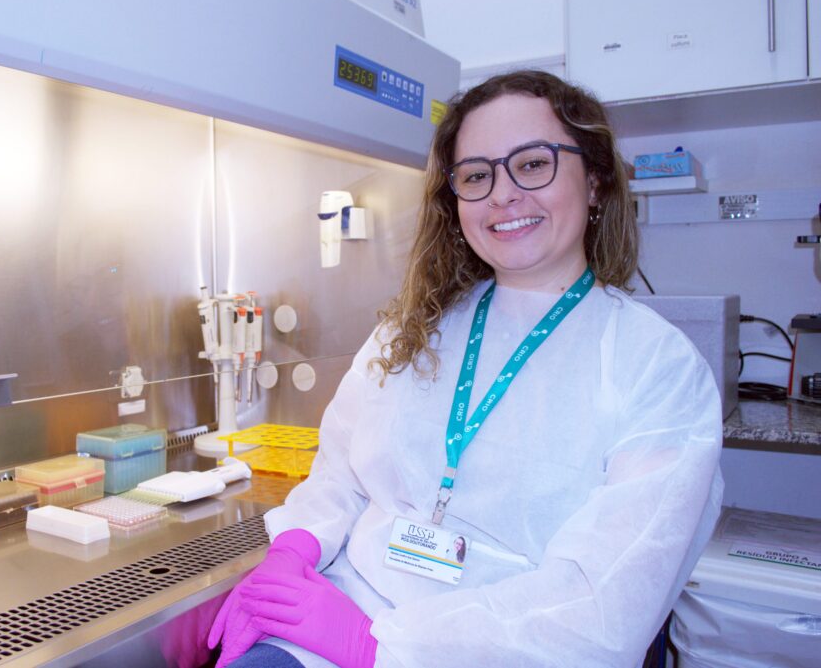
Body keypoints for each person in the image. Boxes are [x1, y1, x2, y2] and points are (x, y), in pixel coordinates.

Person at [207, 70, 724, 668]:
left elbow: (602, 609)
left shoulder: (656, 367)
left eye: (533, 164)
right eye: (477, 175)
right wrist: (292, 552)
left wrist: (373, 646)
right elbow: (340, 477)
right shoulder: (411, 332)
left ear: (596, 182)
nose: (502, 194)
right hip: (332, 627)